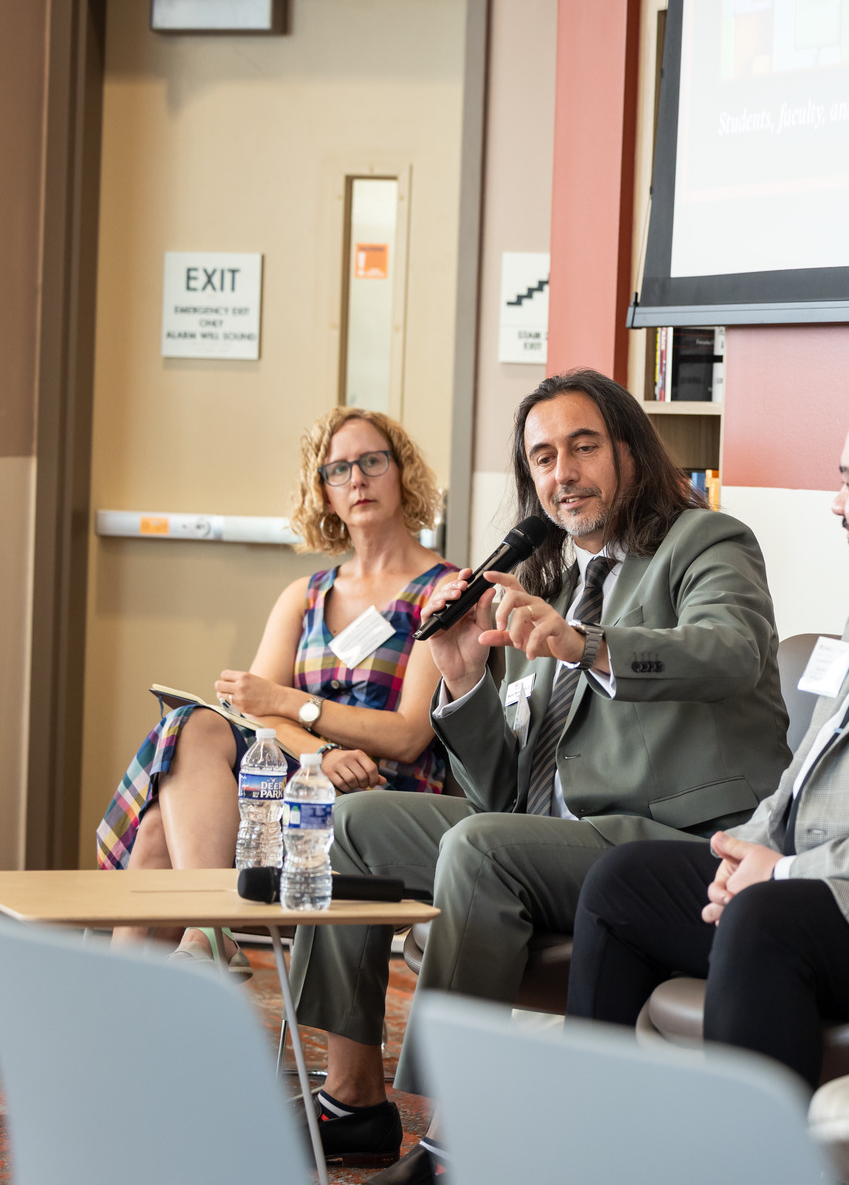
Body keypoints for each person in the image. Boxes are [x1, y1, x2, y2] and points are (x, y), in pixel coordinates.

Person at [299, 368, 792, 1180]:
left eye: (582, 446)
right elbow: (505, 792)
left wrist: (588, 644)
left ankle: (458, 1137)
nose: (562, 472)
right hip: (552, 834)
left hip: (667, 836)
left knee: (485, 850)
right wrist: (461, 681)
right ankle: (355, 1100)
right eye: (541, 457)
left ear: (629, 448)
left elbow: (732, 651)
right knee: (353, 824)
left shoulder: (704, 542)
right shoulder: (549, 580)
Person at [566, 383, 849, 1088]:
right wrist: (753, 852)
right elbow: (809, 763)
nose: (836, 502)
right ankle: (593, 1147)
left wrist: (788, 872)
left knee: (766, 917)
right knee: (623, 883)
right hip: (809, 886)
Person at [96, 406, 455, 970]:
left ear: (402, 473)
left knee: (161, 832)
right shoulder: (305, 596)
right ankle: (198, 949)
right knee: (195, 727)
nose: (356, 478)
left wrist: (289, 703)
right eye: (338, 469)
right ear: (324, 492)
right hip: (300, 780)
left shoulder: (443, 590)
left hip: (385, 795)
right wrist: (320, 752)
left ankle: (187, 956)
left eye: (372, 461)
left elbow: (408, 736)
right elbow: (250, 714)